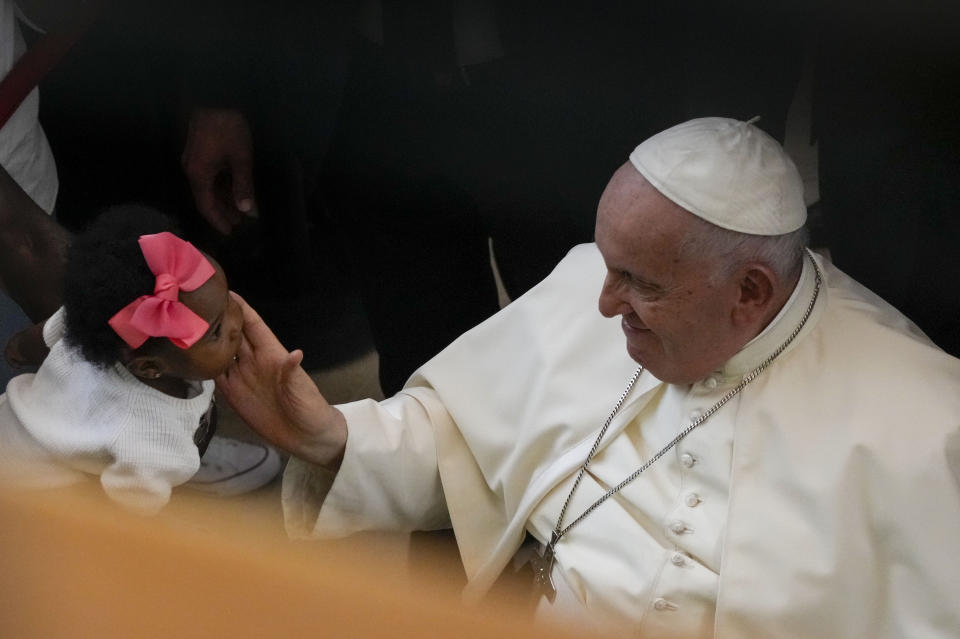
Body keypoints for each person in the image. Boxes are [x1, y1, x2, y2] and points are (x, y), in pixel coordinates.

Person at [218, 118, 960, 637]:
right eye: (606, 266)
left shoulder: (926, 418)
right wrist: (331, 435)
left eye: (639, 284)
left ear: (752, 292)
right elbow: (458, 439)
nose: (603, 304)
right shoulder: (590, 288)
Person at [0, 206, 282, 514]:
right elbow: (132, 507)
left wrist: (22, 347)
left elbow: (58, 326)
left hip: (14, 420)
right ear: (150, 367)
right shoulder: (151, 442)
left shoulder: (98, 322)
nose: (236, 322)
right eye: (216, 332)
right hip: (30, 493)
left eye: (228, 299)